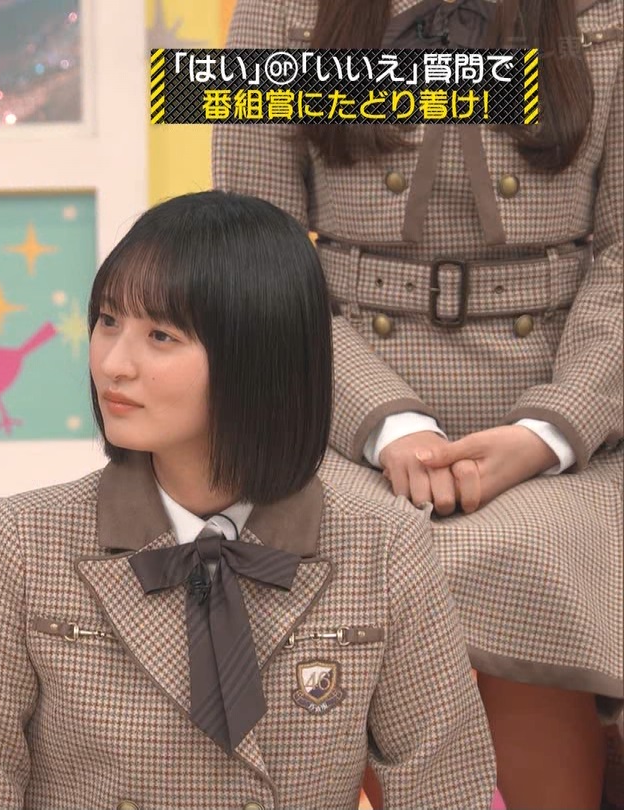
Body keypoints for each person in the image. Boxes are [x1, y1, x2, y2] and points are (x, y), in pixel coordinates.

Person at [0, 191, 496, 809]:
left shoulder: (383, 546)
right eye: (108, 321)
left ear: (260, 355)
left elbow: (444, 789)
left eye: (160, 335)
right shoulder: (20, 541)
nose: (113, 364)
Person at [213, 1, 622, 805]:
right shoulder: (280, 11)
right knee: (355, 554)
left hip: (571, 407)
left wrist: (551, 430)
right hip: (334, 407)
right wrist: (388, 424)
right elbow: (257, 254)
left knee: (532, 553)